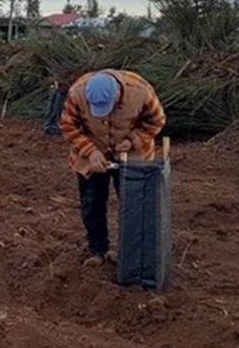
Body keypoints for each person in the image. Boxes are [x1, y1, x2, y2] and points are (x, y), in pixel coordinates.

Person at [60, 69, 166, 266]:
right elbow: (68, 125)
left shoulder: (141, 90)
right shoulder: (77, 92)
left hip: (133, 154)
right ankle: (97, 250)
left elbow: (157, 120)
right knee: (92, 203)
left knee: (134, 205)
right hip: (92, 154)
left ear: (118, 92)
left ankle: (132, 254)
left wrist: (133, 140)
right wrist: (90, 151)